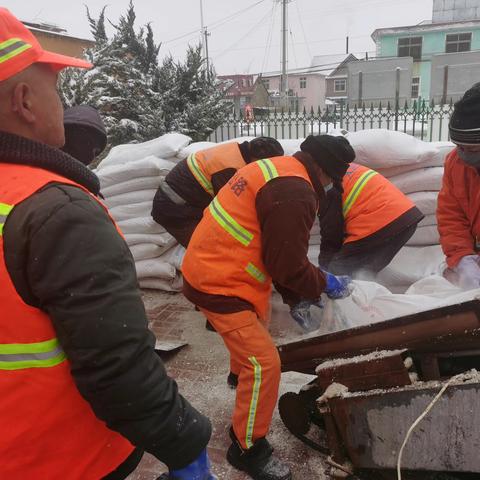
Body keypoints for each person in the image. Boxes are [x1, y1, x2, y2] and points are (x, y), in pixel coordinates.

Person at [0, 8, 214, 480]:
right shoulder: (56, 211)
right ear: (24, 101)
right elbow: (117, 367)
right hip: (60, 460)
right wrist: (186, 442)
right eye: (54, 88)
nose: (63, 101)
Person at [181, 135, 355, 480]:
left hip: (215, 266)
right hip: (220, 282)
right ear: (322, 169)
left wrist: (295, 297)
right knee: (264, 364)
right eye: (332, 178)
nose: (331, 186)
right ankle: (247, 447)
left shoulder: (274, 168)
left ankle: (237, 375)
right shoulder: (296, 192)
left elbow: (276, 253)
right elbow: (287, 265)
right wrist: (324, 284)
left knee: (255, 323)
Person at [151, 137, 284, 247]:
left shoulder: (236, 151)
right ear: (257, 158)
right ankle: (199, 277)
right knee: (206, 249)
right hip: (174, 210)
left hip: (183, 201)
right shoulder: (229, 169)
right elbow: (229, 209)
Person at [318, 162, 424, 277]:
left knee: (337, 270)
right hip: (406, 219)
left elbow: (331, 231)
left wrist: (323, 269)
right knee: (362, 272)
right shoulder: (345, 167)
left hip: (377, 225)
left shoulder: (325, 183)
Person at [438, 82, 480, 290]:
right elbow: (451, 215)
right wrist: (462, 258)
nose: (463, 153)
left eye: (471, 147)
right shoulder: (455, 163)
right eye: (458, 146)